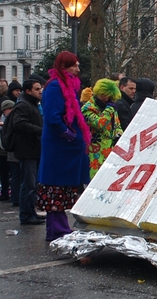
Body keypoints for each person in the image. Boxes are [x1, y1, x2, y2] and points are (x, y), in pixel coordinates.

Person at [37, 51, 91, 241]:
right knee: (56, 187)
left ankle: (60, 228)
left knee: (64, 188)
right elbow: (52, 116)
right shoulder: (54, 87)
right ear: (63, 67)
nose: (78, 68)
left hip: (67, 147)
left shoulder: (68, 85)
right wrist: (69, 134)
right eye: (74, 65)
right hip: (58, 147)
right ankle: (57, 230)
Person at [12, 79, 44, 225]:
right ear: (28, 91)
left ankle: (31, 212)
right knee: (28, 184)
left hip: (34, 149)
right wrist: (40, 131)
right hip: (27, 151)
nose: (40, 92)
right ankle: (26, 215)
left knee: (33, 184)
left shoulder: (32, 104)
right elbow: (19, 124)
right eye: (37, 89)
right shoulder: (23, 105)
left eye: (40, 89)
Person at [82, 79, 123, 179]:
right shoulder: (88, 108)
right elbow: (99, 124)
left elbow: (117, 125)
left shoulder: (111, 107)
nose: (106, 99)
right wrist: (108, 110)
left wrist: (119, 136)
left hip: (110, 150)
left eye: (109, 96)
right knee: (95, 179)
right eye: (104, 95)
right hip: (94, 152)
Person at [0, 100, 13, 201]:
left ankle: (10, 192)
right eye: (10, 109)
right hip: (2, 150)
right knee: (4, 174)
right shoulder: (4, 119)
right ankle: (5, 193)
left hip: (9, 151)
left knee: (11, 173)